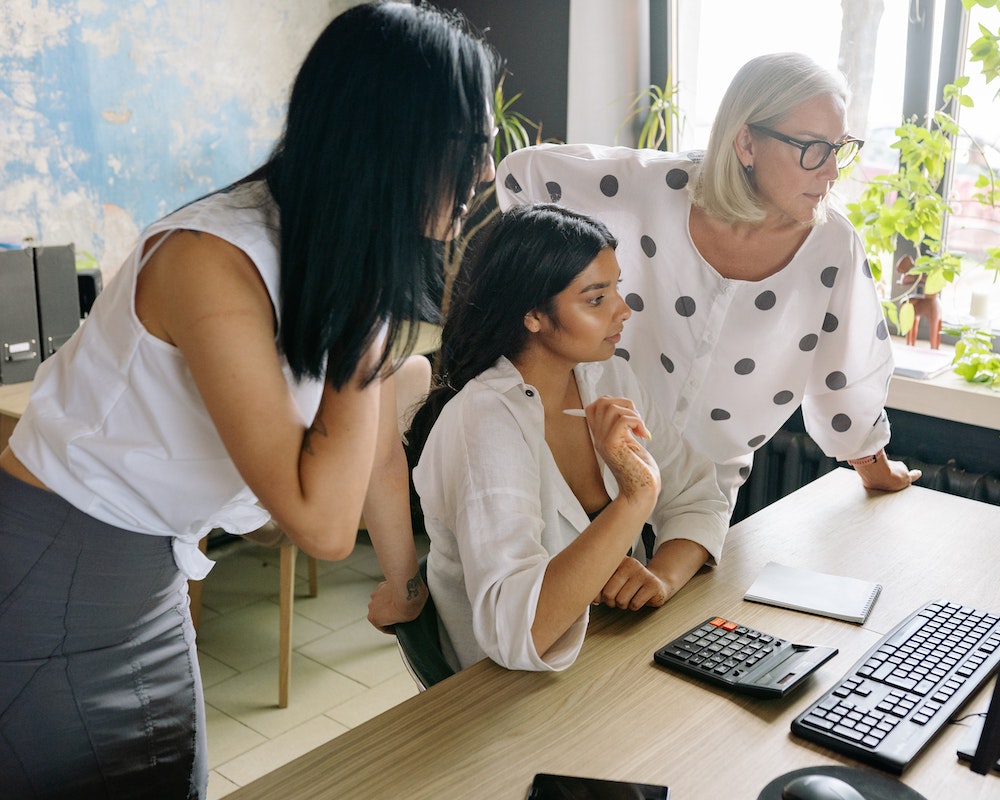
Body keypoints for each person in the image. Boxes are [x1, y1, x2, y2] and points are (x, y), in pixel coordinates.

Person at [0, 3, 495, 797]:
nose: (484, 174)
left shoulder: (316, 250)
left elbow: (350, 457)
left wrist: (404, 589)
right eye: (469, 146)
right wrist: (372, 339)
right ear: (387, 137)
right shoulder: (213, 260)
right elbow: (323, 524)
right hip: (59, 568)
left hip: (148, 571)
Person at [496, 52, 921, 512]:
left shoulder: (831, 244)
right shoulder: (655, 188)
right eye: (813, 148)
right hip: (586, 468)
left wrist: (877, 470)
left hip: (701, 498)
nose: (832, 170)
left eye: (838, 148)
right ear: (746, 143)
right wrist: (550, 336)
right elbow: (522, 177)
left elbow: (849, 374)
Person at [405, 204, 728, 673]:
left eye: (617, 287)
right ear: (533, 315)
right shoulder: (484, 421)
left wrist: (660, 577)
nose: (624, 310)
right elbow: (519, 631)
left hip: (613, 656)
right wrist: (636, 497)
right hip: (507, 695)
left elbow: (699, 496)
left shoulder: (609, 376)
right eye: (596, 299)